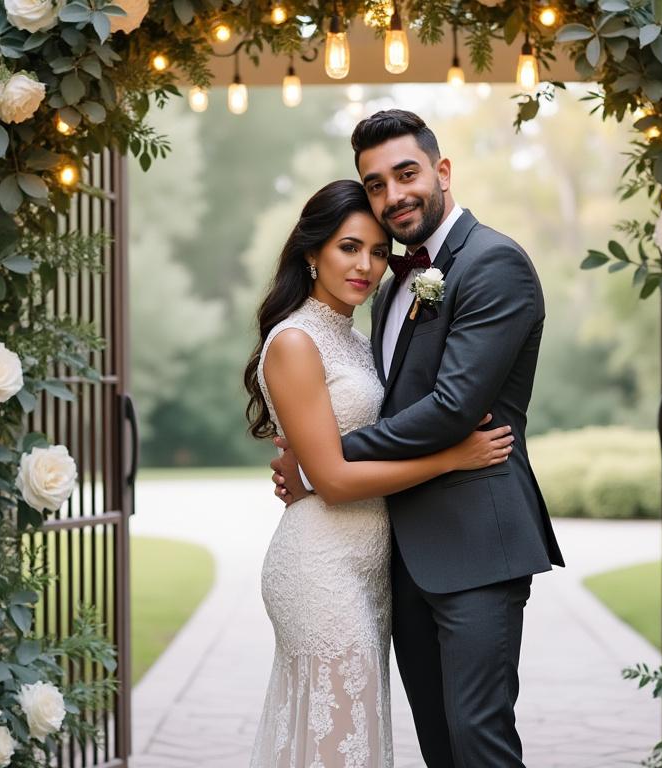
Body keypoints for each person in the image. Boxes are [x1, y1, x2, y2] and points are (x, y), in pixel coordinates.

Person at [270, 110, 564, 767]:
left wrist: (325, 462)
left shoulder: (494, 264)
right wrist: (314, 447)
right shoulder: (392, 284)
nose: (393, 195)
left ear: (442, 171)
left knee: (477, 738)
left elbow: (454, 405)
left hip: (477, 543)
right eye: (375, 185)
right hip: (400, 555)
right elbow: (373, 396)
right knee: (438, 743)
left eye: (406, 174)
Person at [244, 178, 515, 767]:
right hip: (320, 569)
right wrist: (452, 457)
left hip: (369, 567)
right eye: (347, 248)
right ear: (310, 252)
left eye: (375, 250)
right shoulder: (295, 340)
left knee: (352, 741)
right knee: (341, 745)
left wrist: (308, 466)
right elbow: (337, 480)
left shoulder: (355, 338)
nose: (365, 265)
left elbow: (336, 442)